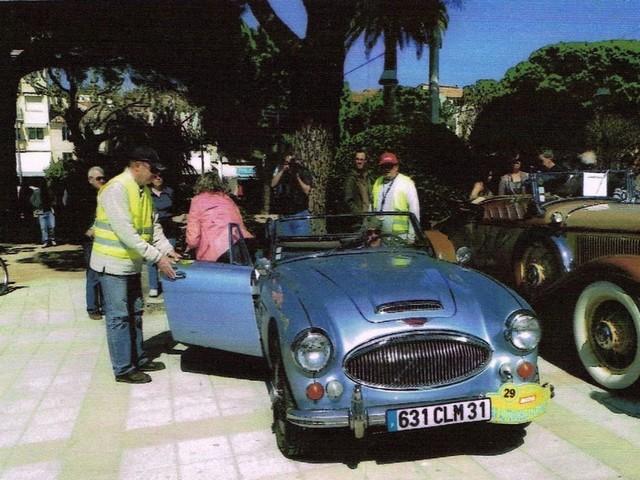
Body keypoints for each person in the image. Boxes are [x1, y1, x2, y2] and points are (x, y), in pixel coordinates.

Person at [90, 146, 180, 384]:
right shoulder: (116, 189)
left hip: (130, 263)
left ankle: (139, 358)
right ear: (138, 165)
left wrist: (168, 250)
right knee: (119, 316)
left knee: (136, 311)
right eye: (153, 170)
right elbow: (126, 232)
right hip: (112, 264)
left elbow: (153, 228)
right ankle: (123, 369)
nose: (155, 176)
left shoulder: (143, 191)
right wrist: (157, 258)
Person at [186, 172, 254, 262]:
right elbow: (239, 221)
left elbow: (193, 233)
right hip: (236, 242)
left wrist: (190, 246)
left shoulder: (197, 201)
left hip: (215, 249)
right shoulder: (227, 199)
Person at [371, 151, 420, 236]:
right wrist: (371, 228)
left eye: (389, 166)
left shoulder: (407, 183)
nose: (386, 169)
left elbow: (414, 210)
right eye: (384, 166)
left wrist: (412, 235)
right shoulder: (377, 181)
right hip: (379, 234)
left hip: (400, 235)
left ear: (396, 167)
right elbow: (371, 206)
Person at [147, 172, 177, 297]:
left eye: (160, 176)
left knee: (170, 255)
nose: (158, 178)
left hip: (169, 227)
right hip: (154, 227)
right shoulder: (147, 194)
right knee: (152, 257)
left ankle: (169, 283)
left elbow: (174, 209)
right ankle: (153, 286)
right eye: (155, 176)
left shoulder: (169, 192)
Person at [271, 153, 313, 236]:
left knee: (301, 242)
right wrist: (282, 170)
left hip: (299, 213)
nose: (288, 164)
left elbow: (306, 190)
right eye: (286, 162)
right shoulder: (281, 172)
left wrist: (297, 177)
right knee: (286, 241)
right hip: (285, 213)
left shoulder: (303, 171)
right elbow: (272, 184)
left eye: (290, 162)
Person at [84, 166, 106, 320]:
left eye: (103, 177)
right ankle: (92, 308)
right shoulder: (85, 197)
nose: (102, 181)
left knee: (104, 272)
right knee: (93, 274)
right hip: (91, 241)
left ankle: (105, 305)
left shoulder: (106, 193)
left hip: (104, 239)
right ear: (90, 179)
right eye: (98, 178)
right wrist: (87, 230)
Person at [343, 149, 372, 214]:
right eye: (357, 159)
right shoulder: (351, 178)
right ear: (354, 161)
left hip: (368, 217)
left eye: (361, 159)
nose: (359, 161)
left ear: (365, 161)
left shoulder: (367, 177)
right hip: (358, 220)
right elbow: (348, 200)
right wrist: (359, 214)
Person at [30, 178, 57, 247]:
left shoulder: (49, 191)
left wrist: (52, 205)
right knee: (43, 227)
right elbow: (32, 200)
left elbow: (54, 199)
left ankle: (52, 239)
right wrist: (37, 206)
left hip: (49, 211)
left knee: (52, 226)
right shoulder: (37, 192)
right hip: (41, 211)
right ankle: (46, 241)